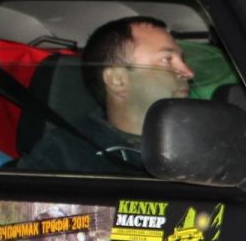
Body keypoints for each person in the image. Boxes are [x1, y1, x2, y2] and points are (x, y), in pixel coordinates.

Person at [19, 16, 195, 174]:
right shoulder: (64, 154)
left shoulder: (204, 143)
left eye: (182, 59)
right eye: (167, 60)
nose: (188, 72)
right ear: (117, 80)